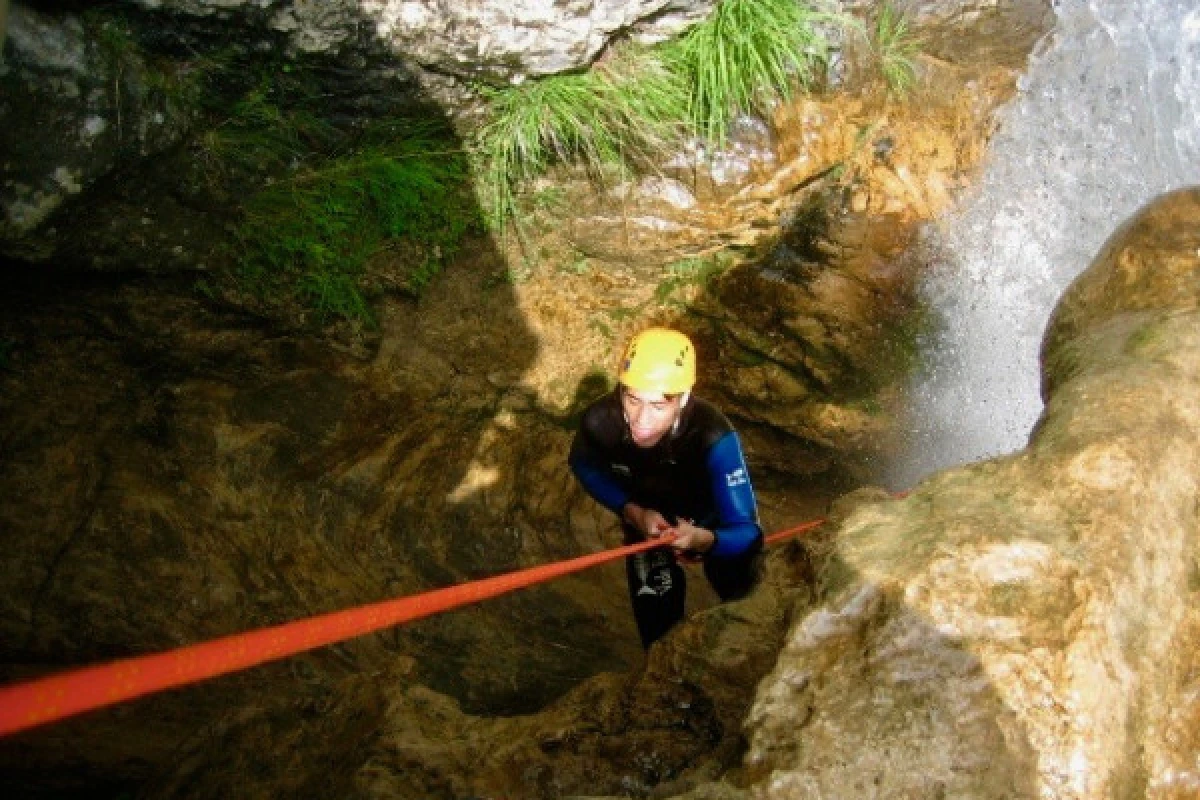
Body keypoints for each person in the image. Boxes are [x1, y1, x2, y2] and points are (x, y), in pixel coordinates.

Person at [568, 327, 763, 648]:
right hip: (649, 525)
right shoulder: (600, 422)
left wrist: (704, 540)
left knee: (746, 602)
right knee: (658, 635)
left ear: (684, 399)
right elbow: (585, 466)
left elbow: (748, 532)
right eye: (632, 399)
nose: (641, 420)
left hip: (710, 521)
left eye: (659, 405)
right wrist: (634, 512)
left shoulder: (712, 435)